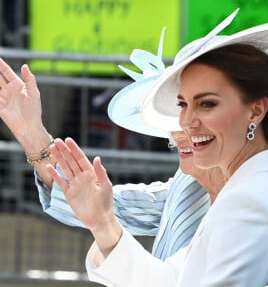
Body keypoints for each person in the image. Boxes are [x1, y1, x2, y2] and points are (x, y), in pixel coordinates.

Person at [37, 9, 268, 286]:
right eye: (183, 104)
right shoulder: (264, 188)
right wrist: (102, 223)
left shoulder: (248, 202)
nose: (187, 122)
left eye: (207, 103)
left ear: (255, 110)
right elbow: (174, 279)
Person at [0, 29, 216, 260]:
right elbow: (100, 204)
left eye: (208, 105)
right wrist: (31, 132)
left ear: (255, 111)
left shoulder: (255, 193)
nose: (183, 127)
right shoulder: (188, 187)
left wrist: (103, 226)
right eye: (178, 108)